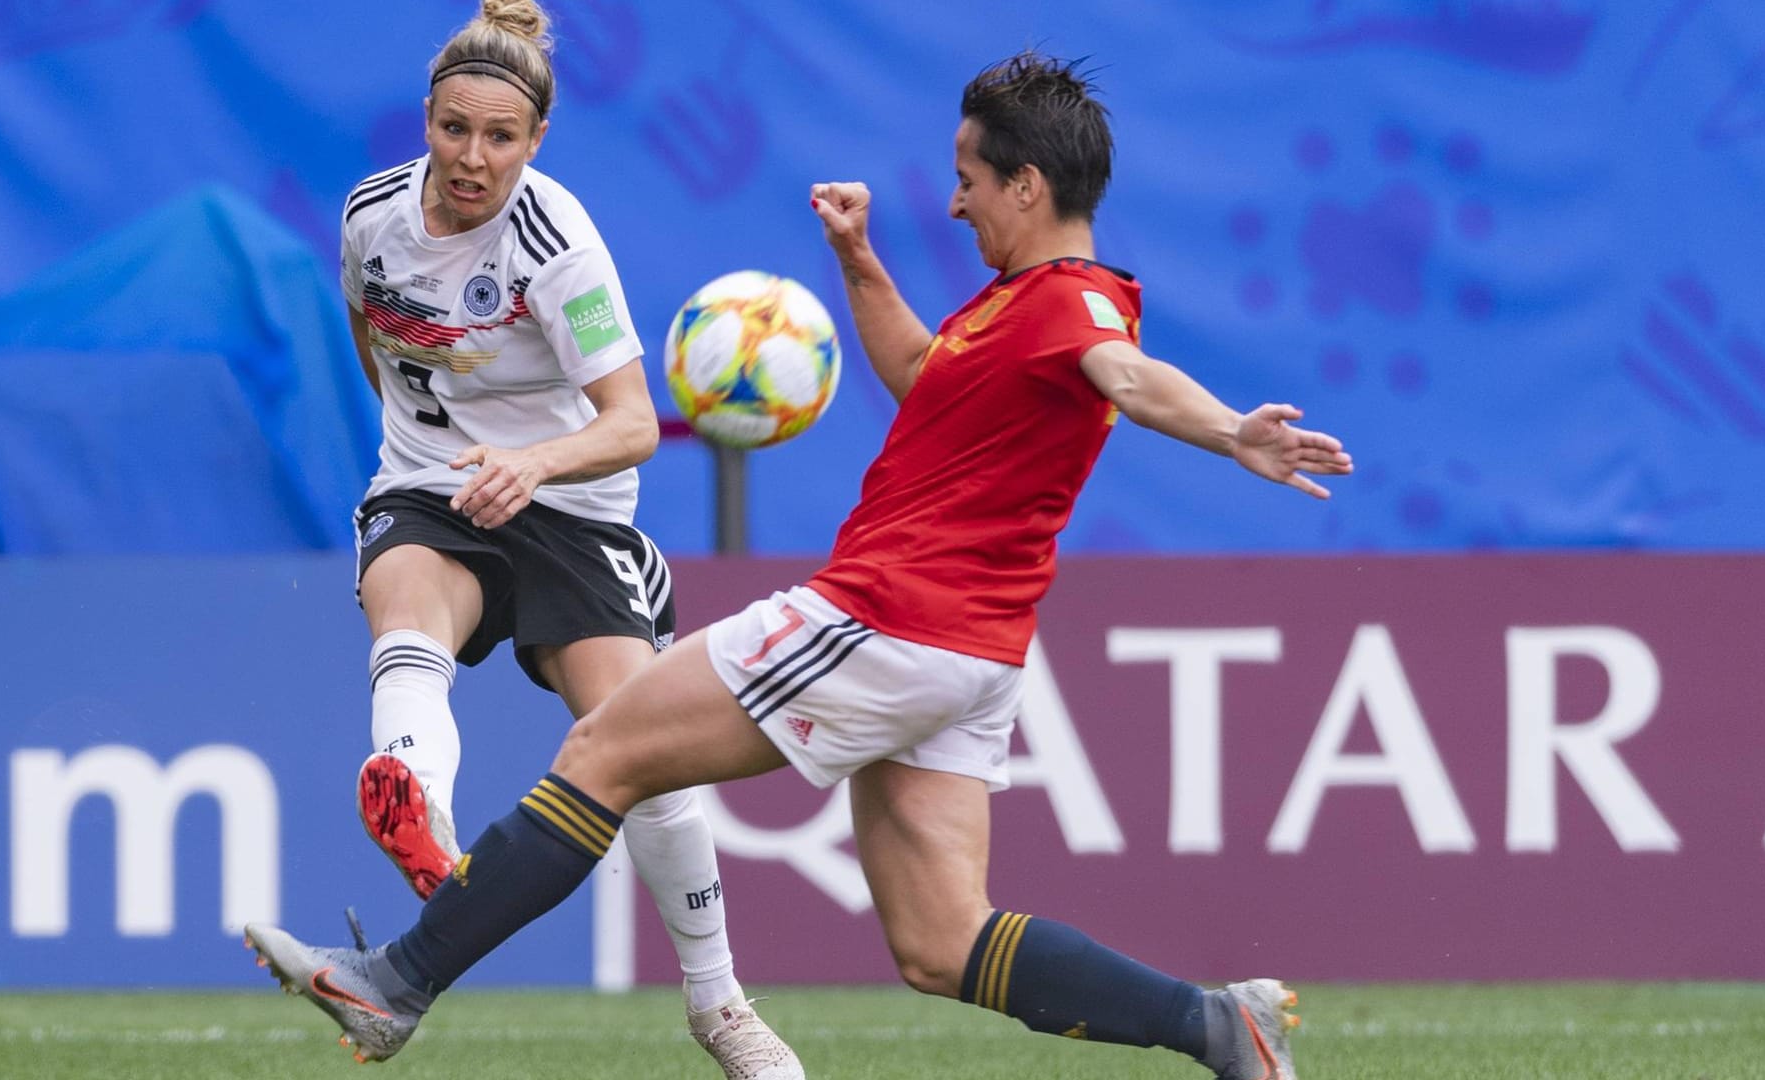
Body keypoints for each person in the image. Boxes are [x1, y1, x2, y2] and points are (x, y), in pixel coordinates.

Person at [250, 50, 1350, 1079]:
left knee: (607, 747)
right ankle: (1218, 1025)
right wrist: (858, 263)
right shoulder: (1018, 312)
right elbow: (925, 375)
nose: (956, 202)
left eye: (968, 180)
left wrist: (1231, 433)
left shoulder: (1074, 303)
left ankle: (395, 983)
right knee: (939, 941)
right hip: (972, 658)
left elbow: (1128, 375)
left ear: (1026, 185)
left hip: (885, 618)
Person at [327, 2, 800, 1075]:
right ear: (428, 122)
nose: (472, 159)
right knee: (406, 609)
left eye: (501, 138)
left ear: (536, 142)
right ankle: (421, 813)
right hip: (433, 489)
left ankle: (718, 1005)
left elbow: (632, 423)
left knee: (647, 747)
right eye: (455, 130)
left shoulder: (558, 246)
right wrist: (429, 452)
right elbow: (368, 328)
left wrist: (530, 463)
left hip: (571, 513)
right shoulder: (367, 215)